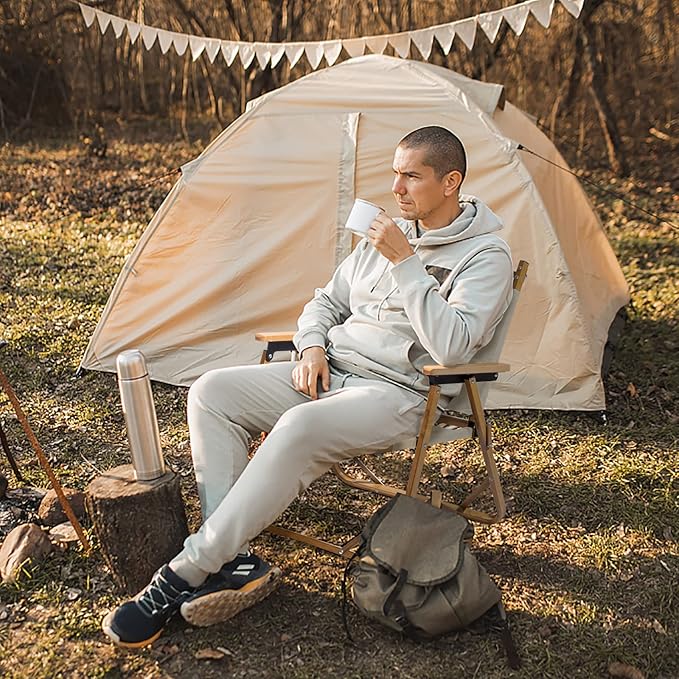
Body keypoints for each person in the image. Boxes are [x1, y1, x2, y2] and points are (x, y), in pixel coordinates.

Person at [102, 125, 514, 648]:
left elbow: (453, 347)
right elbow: (325, 301)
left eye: (411, 176)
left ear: (450, 181)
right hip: (332, 369)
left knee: (298, 425)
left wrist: (406, 264)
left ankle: (188, 570)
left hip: (400, 393)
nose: (396, 188)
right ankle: (233, 560)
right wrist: (313, 345)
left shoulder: (486, 257)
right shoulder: (389, 234)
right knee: (212, 391)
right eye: (394, 173)